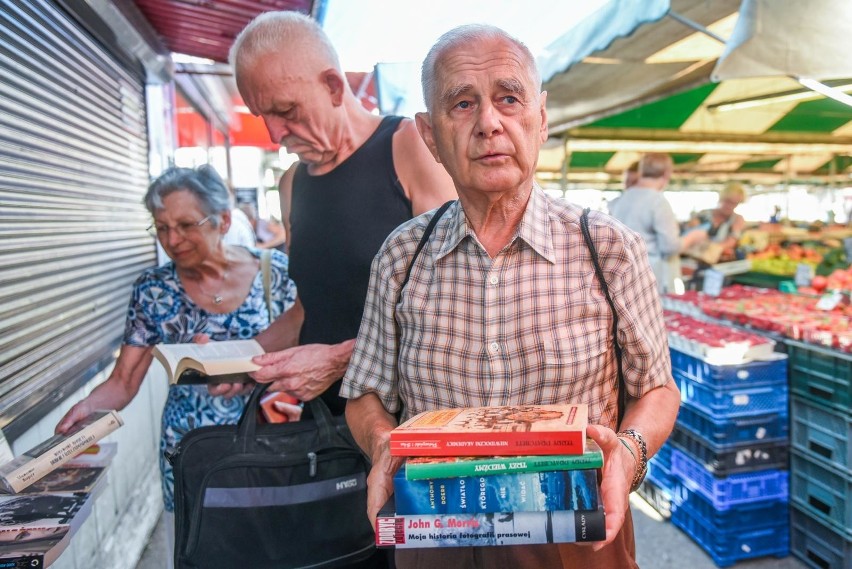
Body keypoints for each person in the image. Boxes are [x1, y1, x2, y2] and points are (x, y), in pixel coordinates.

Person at [342, 24, 680, 569]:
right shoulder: (401, 256)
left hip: (579, 531)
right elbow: (364, 392)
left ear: (540, 118)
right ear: (429, 135)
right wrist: (382, 441)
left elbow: (658, 390)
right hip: (438, 529)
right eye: (462, 103)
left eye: (508, 98)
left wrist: (629, 453)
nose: (489, 123)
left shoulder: (609, 248)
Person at [55, 165, 301, 566]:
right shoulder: (153, 290)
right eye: (161, 227)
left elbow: (308, 350)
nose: (172, 239)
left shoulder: (277, 275)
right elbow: (123, 381)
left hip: (271, 445)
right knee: (196, 552)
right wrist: (83, 415)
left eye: (186, 224)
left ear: (222, 220)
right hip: (189, 453)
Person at [228, 11, 456, 417]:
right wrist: (239, 359)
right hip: (327, 431)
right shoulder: (292, 183)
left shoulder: (408, 148)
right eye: (263, 116)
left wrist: (337, 362)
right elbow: (306, 311)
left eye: (286, 111)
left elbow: (454, 306)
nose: (274, 135)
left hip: (409, 426)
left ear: (334, 86)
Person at [608, 153, 705, 293]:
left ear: (641, 171)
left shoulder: (620, 201)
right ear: (666, 174)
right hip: (653, 276)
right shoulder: (658, 202)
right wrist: (693, 237)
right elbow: (670, 247)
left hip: (625, 274)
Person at [690, 182, 747, 263]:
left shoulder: (737, 219)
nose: (730, 206)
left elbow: (731, 242)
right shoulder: (703, 214)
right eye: (728, 201)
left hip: (720, 262)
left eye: (735, 203)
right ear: (721, 198)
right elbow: (691, 236)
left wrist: (711, 250)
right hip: (695, 259)